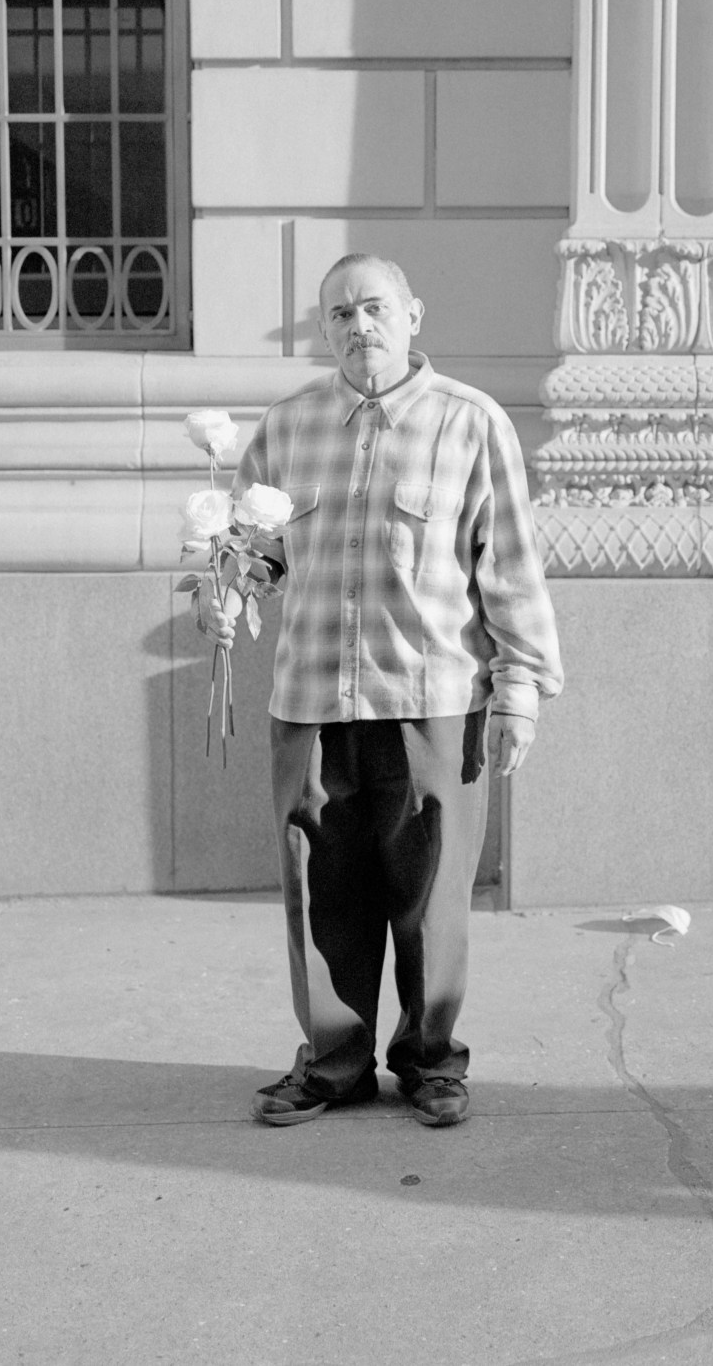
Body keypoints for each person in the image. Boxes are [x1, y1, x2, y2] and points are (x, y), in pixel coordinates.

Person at [200, 253, 564, 1128]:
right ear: (324, 330)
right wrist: (225, 577)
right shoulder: (287, 429)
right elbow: (264, 556)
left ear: (412, 315)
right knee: (322, 891)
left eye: (373, 308)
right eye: (339, 315)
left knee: (433, 895)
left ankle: (432, 1061)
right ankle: (333, 1061)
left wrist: (519, 690)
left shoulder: (472, 425)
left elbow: (509, 566)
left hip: (432, 700)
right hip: (312, 703)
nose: (358, 326)